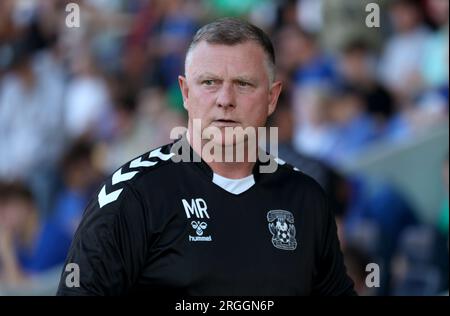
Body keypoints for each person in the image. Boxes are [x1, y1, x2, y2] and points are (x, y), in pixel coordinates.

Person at [56, 18, 355, 296]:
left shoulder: (306, 199)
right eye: (209, 83)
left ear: (272, 97)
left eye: (243, 84)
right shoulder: (132, 197)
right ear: (185, 92)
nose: (225, 100)